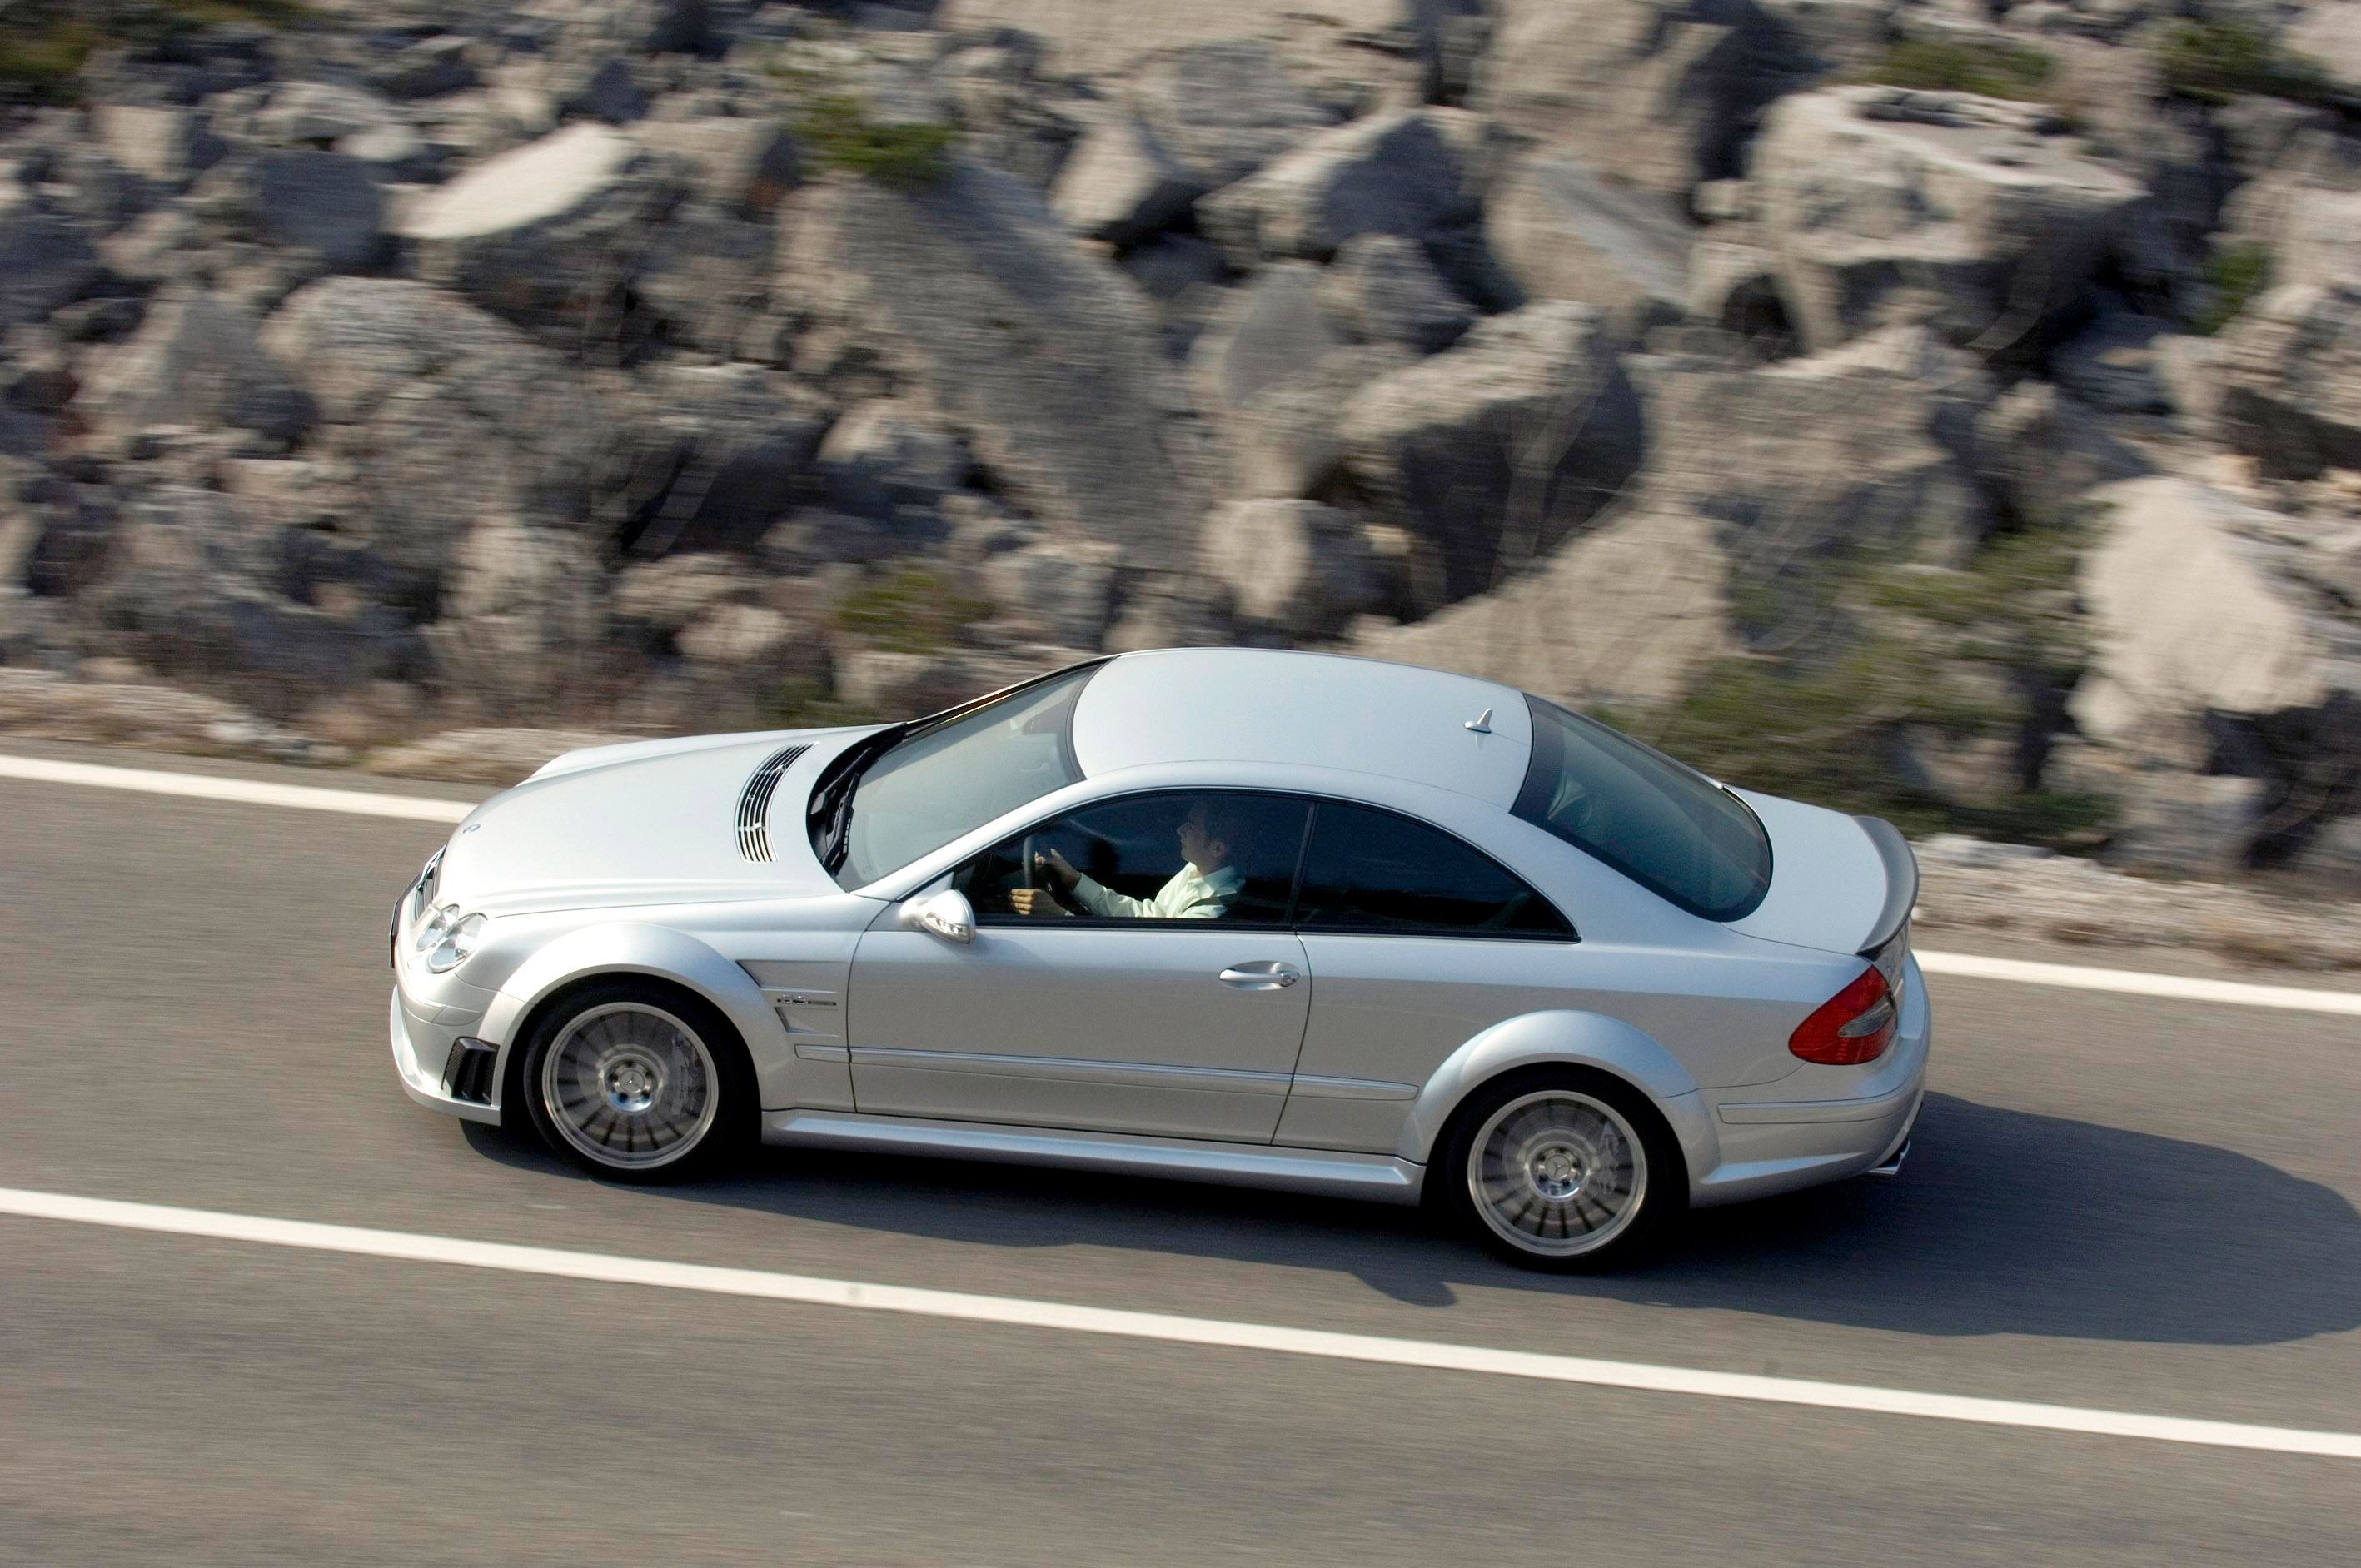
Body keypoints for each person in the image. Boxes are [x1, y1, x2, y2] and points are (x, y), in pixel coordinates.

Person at [1012, 800, 1246, 920]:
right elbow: (1150, 918)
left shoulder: (1215, 908)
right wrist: (1074, 880)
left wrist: (1059, 917)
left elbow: (1151, 957)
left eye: (1191, 827)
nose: (1179, 830)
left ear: (1217, 848)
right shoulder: (1197, 869)